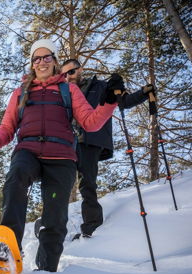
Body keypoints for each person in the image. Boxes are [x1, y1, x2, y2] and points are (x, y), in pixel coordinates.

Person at [0, 40, 123, 272]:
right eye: (37, 58)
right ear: (32, 64)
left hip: (61, 156)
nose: (41, 62)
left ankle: (47, 270)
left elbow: (91, 123)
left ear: (54, 61)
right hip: (28, 150)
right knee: (16, 178)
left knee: (55, 215)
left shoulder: (69, 90)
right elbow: (7, 127)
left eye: (46, 57)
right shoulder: (20, 93)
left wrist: (109, 102)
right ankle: (9, 246)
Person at [59, 59, 155, 240]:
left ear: (81, 70)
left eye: (70, 72)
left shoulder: (101, 86)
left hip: (90, 140)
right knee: (59, 183)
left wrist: (143, 93)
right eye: (63, 75)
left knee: (87, 183)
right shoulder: (64, 92)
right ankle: (52, 226)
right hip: (67, 142)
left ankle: (92, 227)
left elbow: (123, 101)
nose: (67, 77)